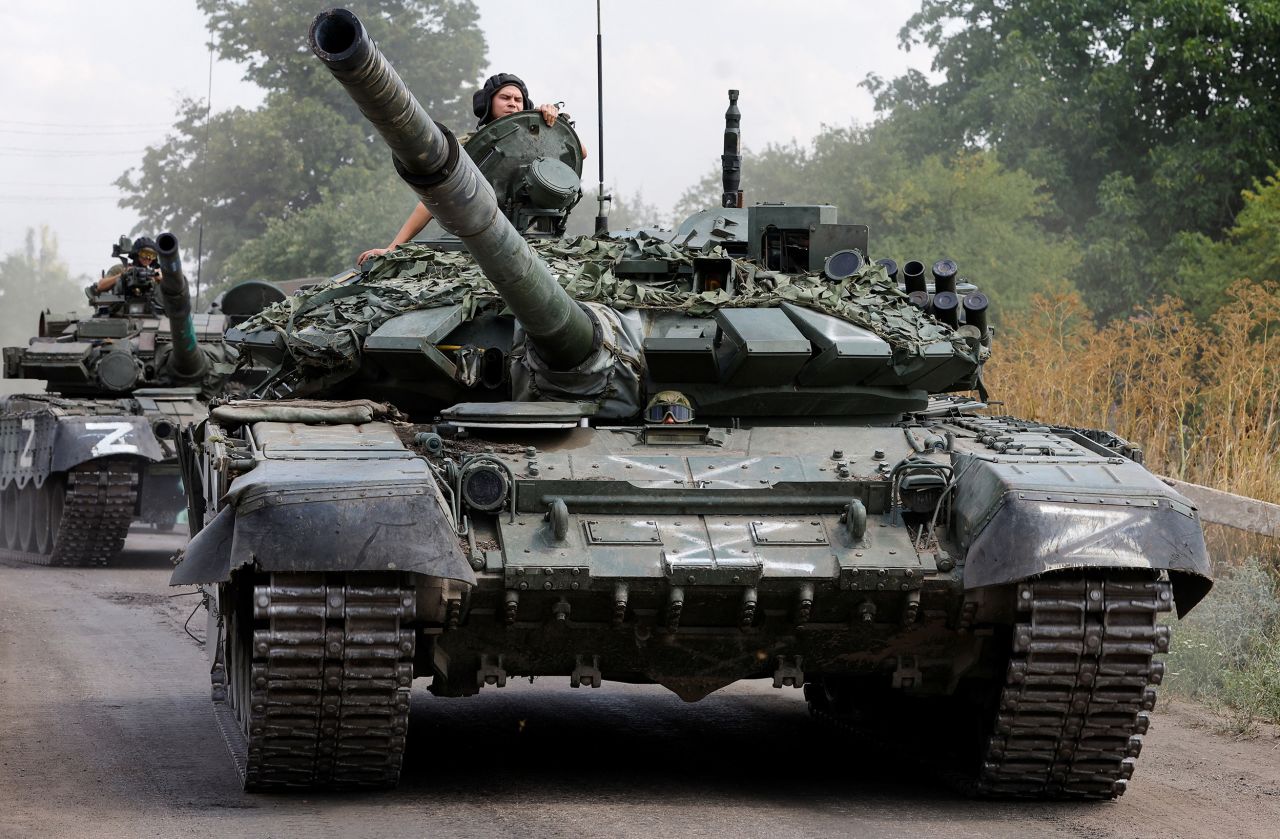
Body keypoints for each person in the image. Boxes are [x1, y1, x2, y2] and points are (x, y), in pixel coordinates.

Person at [356, 73, 585, 266]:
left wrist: (550, 121)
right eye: (504, 97)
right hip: (483, 240)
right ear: (487, 104)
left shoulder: (542, 138)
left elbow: (580, 152)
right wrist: (392, 247)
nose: (512, 103)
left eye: (518, 99)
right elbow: (433, 200)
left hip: (541, 240)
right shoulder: (466, 148)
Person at [93, 236, 161, 294]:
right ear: (136, 253)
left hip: (148, 307)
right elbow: (101, 286)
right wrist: (122, 275)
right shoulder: (120, 268)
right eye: (145, 253)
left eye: (152, 255)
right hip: (122, 306)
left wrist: (161, 280)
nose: (148, 258)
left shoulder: (153, 275)